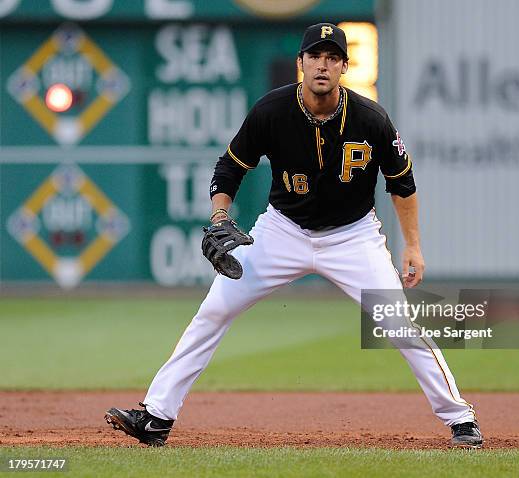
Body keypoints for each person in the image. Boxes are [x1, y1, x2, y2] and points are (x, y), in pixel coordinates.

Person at [105, 23, 483, 449]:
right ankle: (157, 416)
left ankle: (460, 418)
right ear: (301, 63)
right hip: (282, 231)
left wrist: (412, 245)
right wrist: (219, 216)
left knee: (398, 323)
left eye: (332, 57)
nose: (323, 64)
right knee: (214, 311)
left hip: (353, 237)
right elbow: (229, 168)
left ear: (344, 66)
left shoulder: (371, 118)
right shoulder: (272, 110)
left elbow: (403, 183)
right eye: (314, 56)